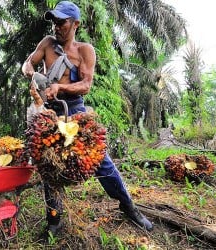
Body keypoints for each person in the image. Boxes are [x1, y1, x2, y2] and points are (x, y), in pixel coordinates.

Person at [21, 1, 153, 238]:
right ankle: (54, 220)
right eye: (54, 21)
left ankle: (128, 206)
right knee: (49, 163)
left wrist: (59, 86)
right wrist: (31, 73)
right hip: (50, 113)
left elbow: (85, 85)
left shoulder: (84, 51)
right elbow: (28, 62)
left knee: (101, 161)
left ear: (75, 24)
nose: (56, 26)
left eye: (61, 22)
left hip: (74, 111)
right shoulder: (47, 44)